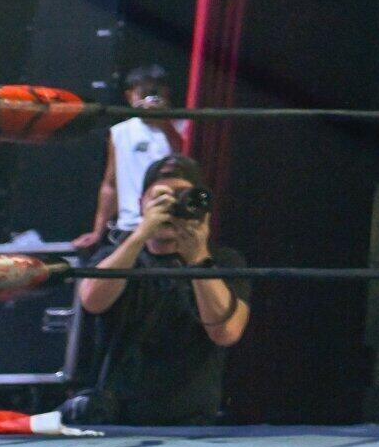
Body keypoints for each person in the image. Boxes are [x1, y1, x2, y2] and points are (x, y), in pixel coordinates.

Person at [75, 155, 249, 426]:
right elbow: (92, 302)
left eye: (182, 196)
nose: (172, 206)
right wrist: (140, 235)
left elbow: (226, 332)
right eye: (162, 197)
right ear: (141, 203)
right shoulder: (116, 256)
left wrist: (198, 257)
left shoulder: (223, 262)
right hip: (116, 416)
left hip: (191, 419)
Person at [76, 64, 188, 251]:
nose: (149, 99)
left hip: (168, 224)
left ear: (166, 94)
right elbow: (111, 184)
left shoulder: (181, 126)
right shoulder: (120, 132)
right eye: (143, 93)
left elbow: (186, 158)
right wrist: (98, 232)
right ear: (130, 96)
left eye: (155, 93)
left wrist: (164, 122)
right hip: (130, 226)